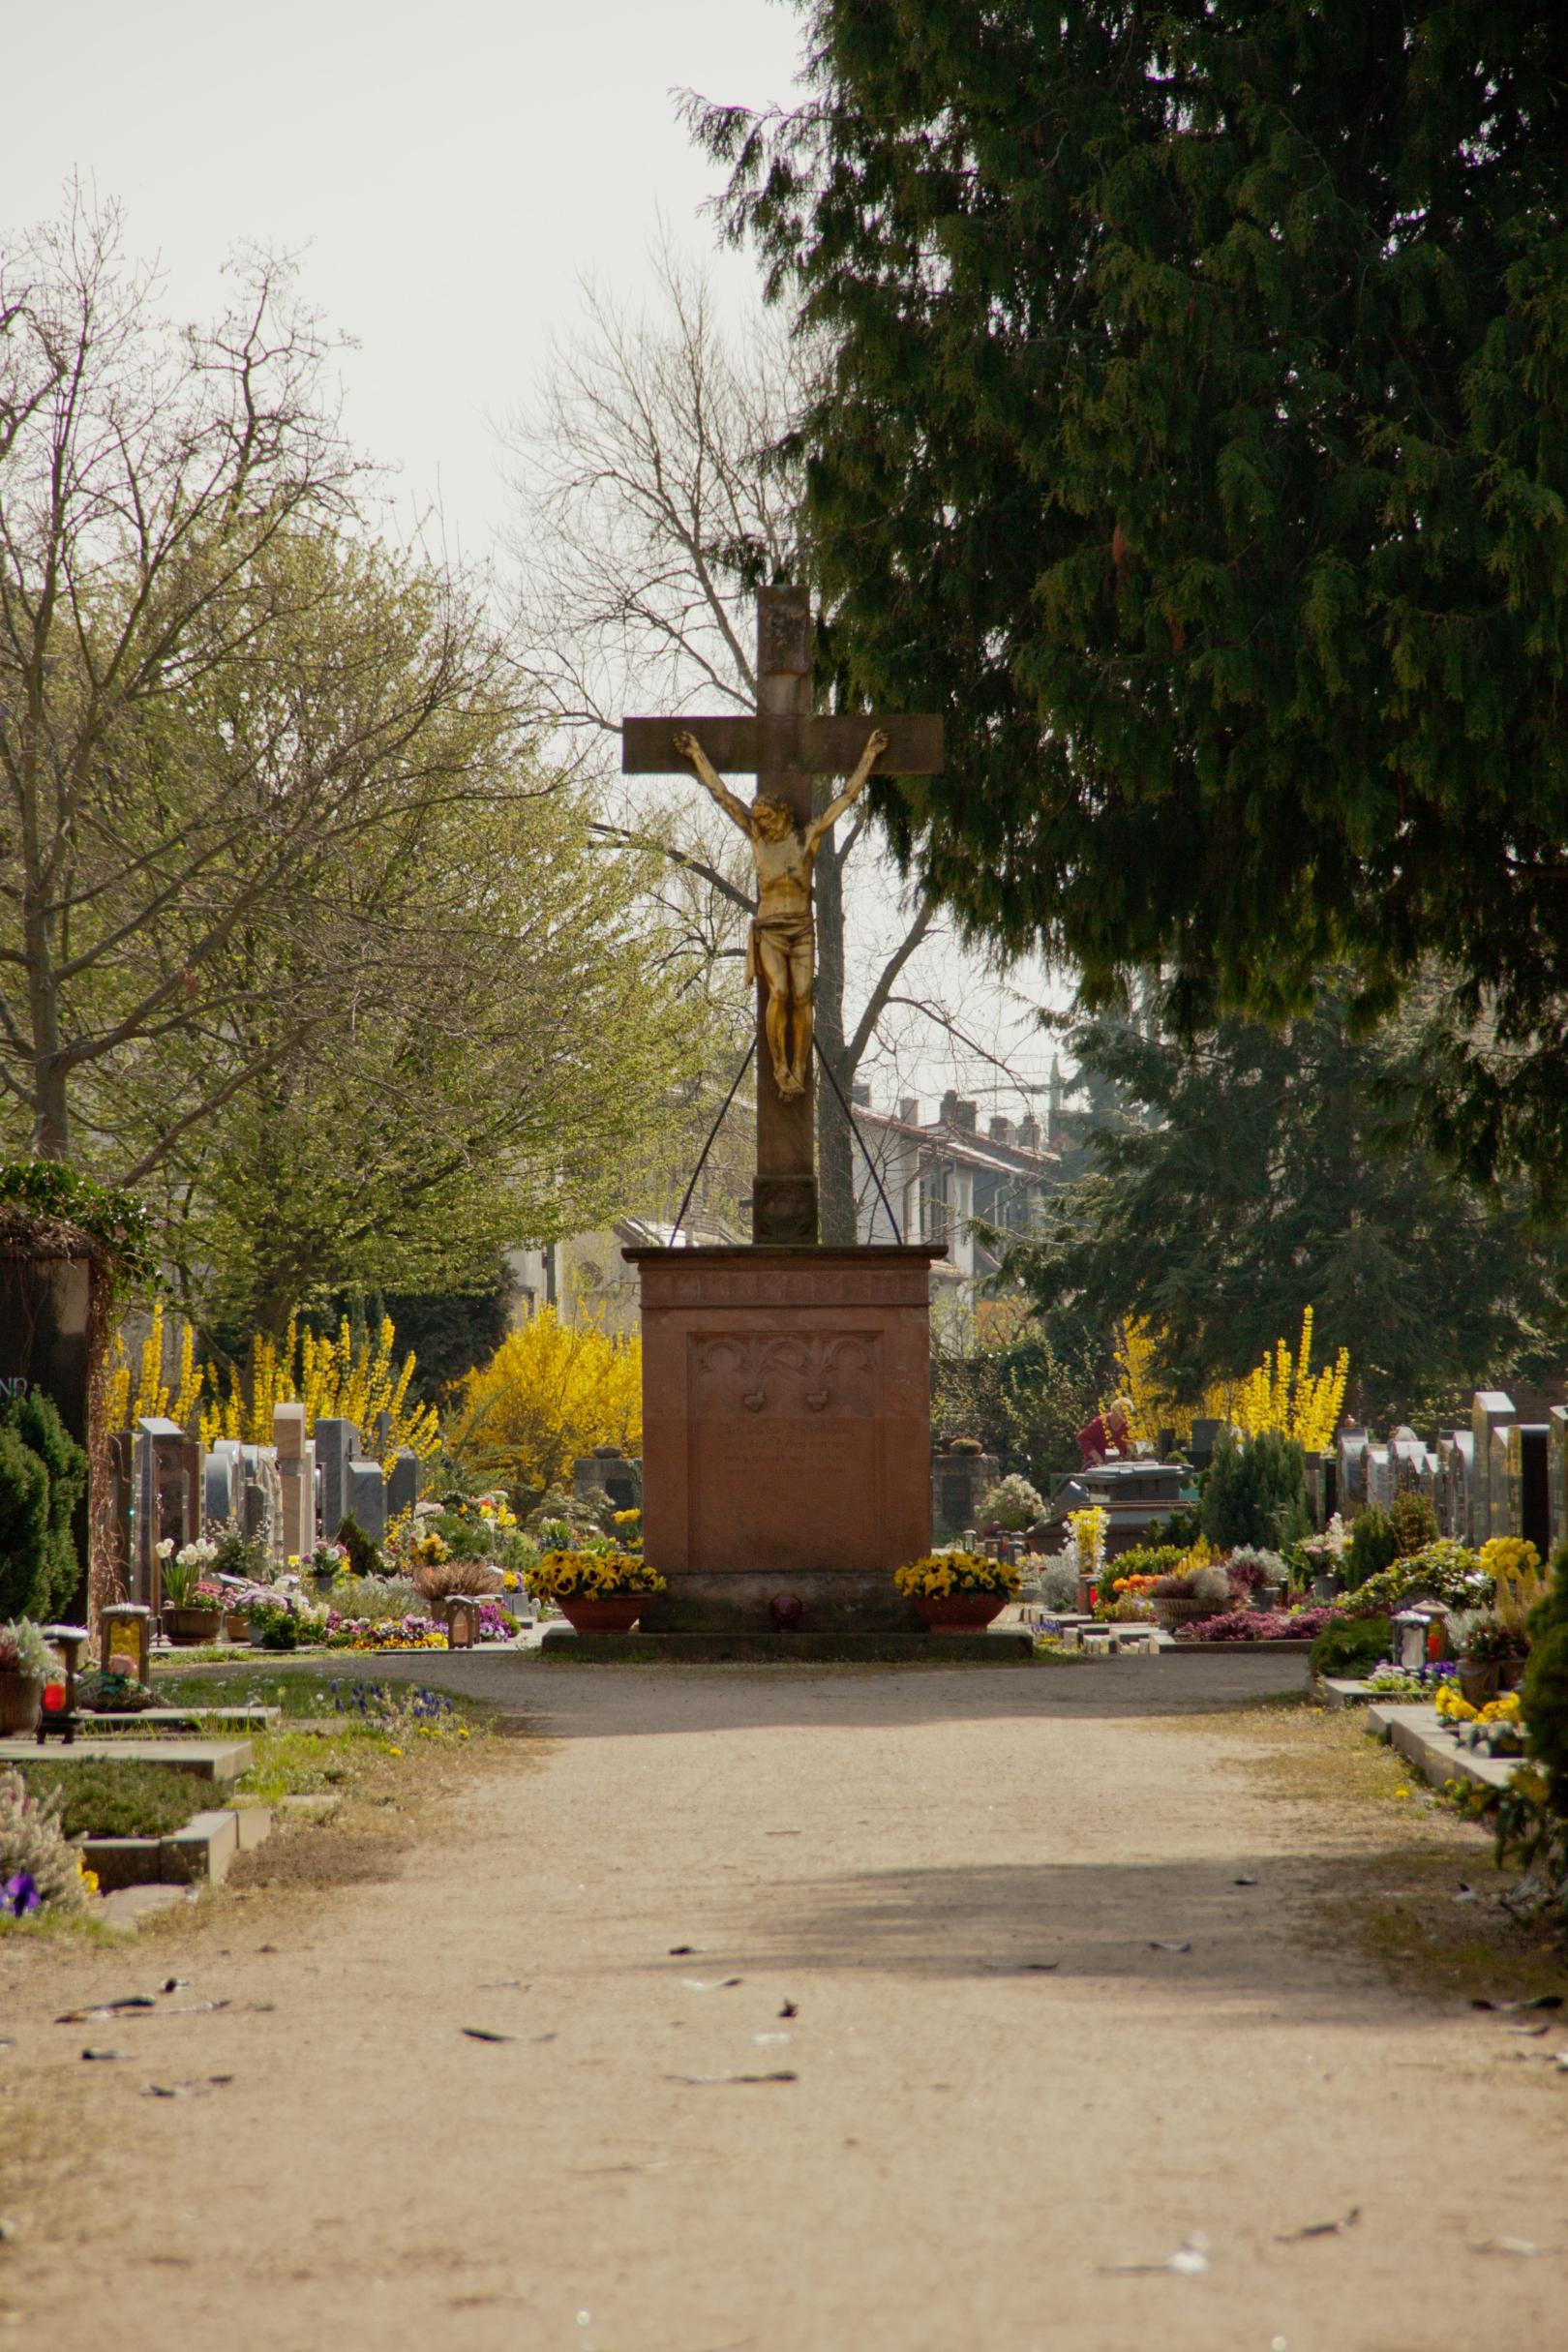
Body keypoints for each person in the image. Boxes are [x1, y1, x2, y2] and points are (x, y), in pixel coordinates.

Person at [671, 725, 889, 1101]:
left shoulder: (807, 838)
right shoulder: (757, 839)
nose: (760, 823)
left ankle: (800, 1069)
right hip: (770, 929)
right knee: (781, 991)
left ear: (781, 815)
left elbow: (848, 796)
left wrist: (868, 754)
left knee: (803, 997)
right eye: (757, 818)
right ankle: (779, 1067)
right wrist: (696, 755)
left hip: (802, 930)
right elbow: (720, 794)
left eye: (766, 817)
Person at [1076, 1397, 1133, 1468]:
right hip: (1095, 1466)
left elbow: (1130, 1444)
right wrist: (1096, 1456)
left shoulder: (1127, 1426)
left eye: (1126, 1416)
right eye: (1122, 1415)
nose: (1124, 1419)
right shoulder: (1100, 1422)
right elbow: (1082, 1438)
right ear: (1114, 1412)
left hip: (1117, 1467)